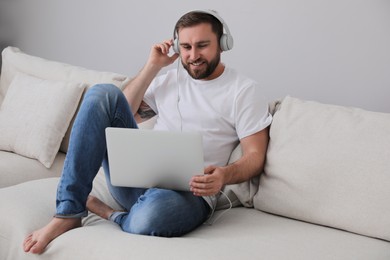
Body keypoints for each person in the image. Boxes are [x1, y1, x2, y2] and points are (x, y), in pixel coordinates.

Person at [23, 9, 272, 254]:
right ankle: (68, 212)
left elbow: (255, 156)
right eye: (185, 47)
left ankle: (113, 215)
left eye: (202, 45)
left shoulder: (244, 91)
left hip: (191, 194)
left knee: (148, 218)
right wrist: (153, 66)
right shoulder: (168, 80)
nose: (193, 55)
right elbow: (121, 112)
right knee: (102, 94)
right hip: (136, 181)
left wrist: (223, 176)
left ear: (223, 43)